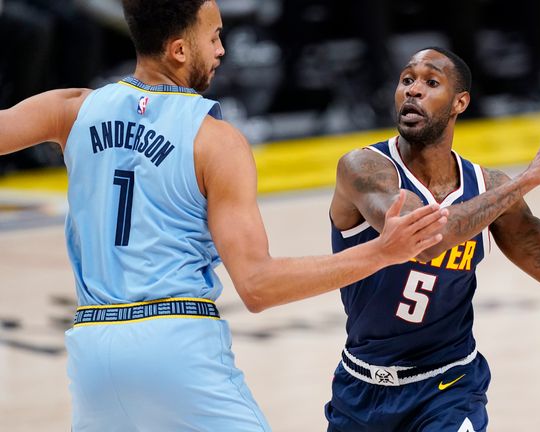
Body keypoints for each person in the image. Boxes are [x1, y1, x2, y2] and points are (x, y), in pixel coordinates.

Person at [0, 1, 449, 430]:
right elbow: (258, 285)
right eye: (214, 37)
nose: (221, 50)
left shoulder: (72, 110)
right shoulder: (214, 140)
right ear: (179, 50)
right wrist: (383, 252)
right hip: (175, 344)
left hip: (92, 350)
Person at [326, 47, 540, 431]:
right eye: (407, 80)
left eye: (430, 82)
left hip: (448, 389)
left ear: (460, 102)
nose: (413, 91)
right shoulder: (363, 168)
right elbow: (425, 238)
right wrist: (529, 178)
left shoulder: (488, 188)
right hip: (360, 389)